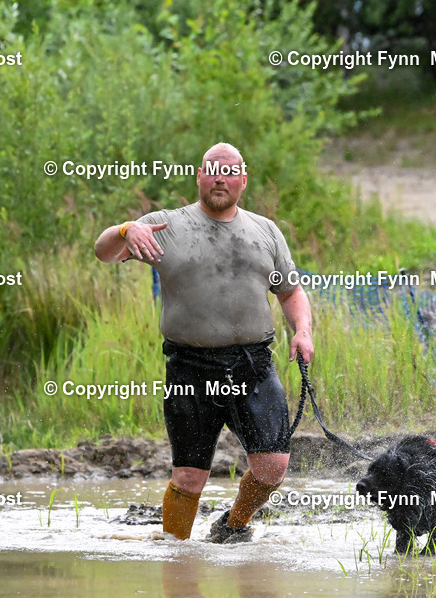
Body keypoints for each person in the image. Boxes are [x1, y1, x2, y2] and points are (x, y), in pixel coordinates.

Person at [94, 142, 313, 543]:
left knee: (273, 467)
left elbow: (290, 293)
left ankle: (233, 524)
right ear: (199, 175)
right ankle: (174, 553)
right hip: (190, 367)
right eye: (212, 169)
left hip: (253, 364)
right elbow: (103, 252)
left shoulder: (265, 231)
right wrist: (125, 229)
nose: (220, 178)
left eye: (229, 172)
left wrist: (303, 330)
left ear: (243, 181)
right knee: (190, 475)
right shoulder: (164, 225)